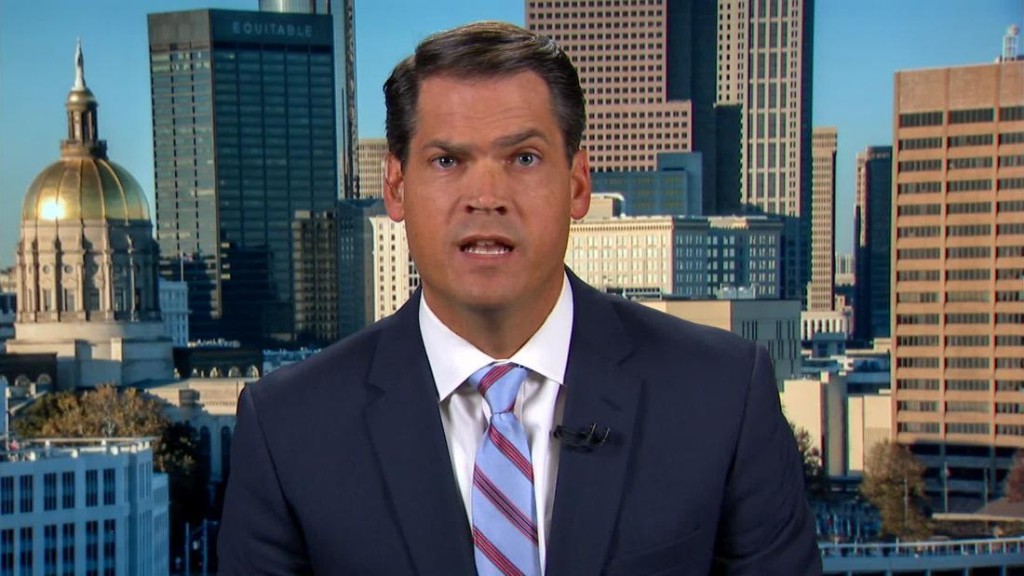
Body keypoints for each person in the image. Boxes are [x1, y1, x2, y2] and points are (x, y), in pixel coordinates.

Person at [218, 21, 822, 575]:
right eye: (448, 160)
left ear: (578, 184)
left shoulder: (721, 394)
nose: (487, 196)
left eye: (524, 158)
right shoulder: (288, 428)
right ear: (396, 188)